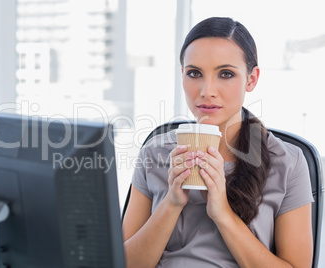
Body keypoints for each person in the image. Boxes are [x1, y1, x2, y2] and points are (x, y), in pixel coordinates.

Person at [122, 17, 314, 268]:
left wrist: (223, 213)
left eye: (226, 74)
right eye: (194, 73)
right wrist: (172, 203)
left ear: (251, 79)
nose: (207, 90)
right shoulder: (155, 152)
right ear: (182, 76)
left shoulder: (288, 162)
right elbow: (122, 263)